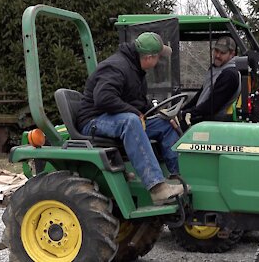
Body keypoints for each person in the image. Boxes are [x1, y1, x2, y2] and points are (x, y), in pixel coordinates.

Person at [77, 32, 185, 206]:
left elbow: (139, 102)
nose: (159, 62)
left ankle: (177, 176)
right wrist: (134, 112)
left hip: (114, 118)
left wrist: (162, 113)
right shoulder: (117, 67)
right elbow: (103, 98)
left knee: (165, 123)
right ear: (149, 57)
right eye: (158, 57)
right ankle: (157, 188)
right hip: (94, 121)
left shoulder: (136, 70)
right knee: (131, 120)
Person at [182, 36, 240, 127]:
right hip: (202, 118)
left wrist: (188, 113)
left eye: (222, 53)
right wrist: (182, 110)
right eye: (216, 51)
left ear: (232, 54)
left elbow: (212, 105)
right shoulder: (215, 69)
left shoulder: (229, 75)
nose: (217, 55)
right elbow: (200, 95)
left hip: (214, 123)